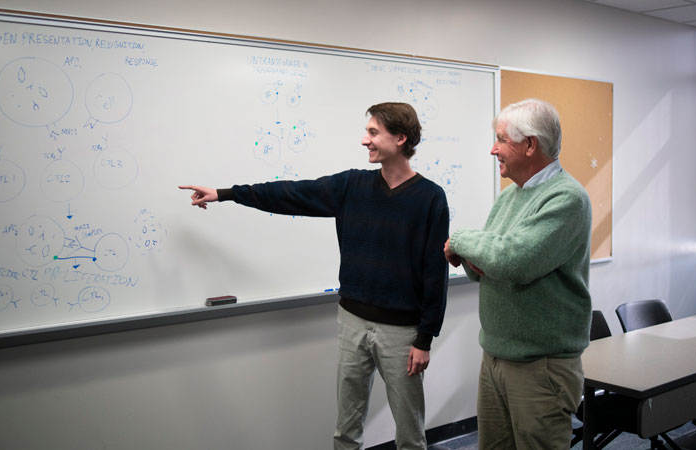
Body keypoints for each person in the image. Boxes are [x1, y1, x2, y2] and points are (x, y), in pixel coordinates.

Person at [180, 102, 449, 450]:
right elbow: (290, 193)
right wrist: (227, 194)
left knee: (410, 435)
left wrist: (424, 339)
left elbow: (434, 271)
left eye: (372, 132)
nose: (364, 140)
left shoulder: (429, 198)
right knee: (346, 429)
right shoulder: (351, 186)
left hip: (401, 333)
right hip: (352, 321)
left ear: (399, 138)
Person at [443, 98, 592, 450]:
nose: (493, 150)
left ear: (530, 145)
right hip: (496, 356)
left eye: (501, 139)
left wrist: (461, 239)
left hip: (541, 367)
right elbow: (485, 269)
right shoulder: (509, 198)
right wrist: (484, 254)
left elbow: (513, 262)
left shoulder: (567, 198)